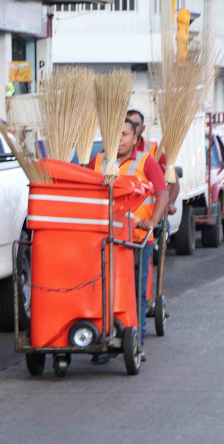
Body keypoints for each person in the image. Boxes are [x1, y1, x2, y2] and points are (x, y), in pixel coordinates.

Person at [88, 119, 169, 364]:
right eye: (115, 134)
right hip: (102, 241)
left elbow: (162, 193)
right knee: (101, 293)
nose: (119, 139)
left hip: (137, 241)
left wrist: (152, 221)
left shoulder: (146, 162)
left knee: (135, 295)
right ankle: (104, 343)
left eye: (124, 134)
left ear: (135, 139)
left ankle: (136, 344)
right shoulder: (97, 161)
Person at [127, 109, 179, 215]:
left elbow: (173, 179)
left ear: (143, 128)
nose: (132, 128)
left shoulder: (153, 151)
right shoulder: (111, 153)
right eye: (129, 124)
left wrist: (169, 202)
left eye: (136, 125)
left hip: (150, 217)